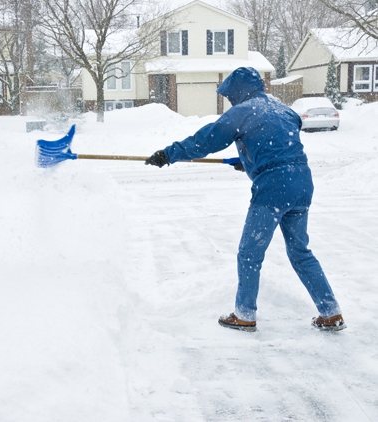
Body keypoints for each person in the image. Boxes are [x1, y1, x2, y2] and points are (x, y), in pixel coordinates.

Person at [145, 67, 345, 332]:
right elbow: (280, 138)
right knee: (300, 252)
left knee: (250, 253)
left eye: (231, 95)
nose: (230, 100)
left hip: (274, 188)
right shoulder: (282, 110)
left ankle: (245, 314)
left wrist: (169, 154)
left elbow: (207, 140)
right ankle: (330, 312)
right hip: (301, 183)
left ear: (238, 90)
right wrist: (250, 158)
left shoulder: (243, 111)